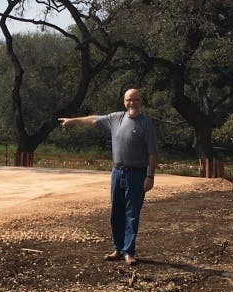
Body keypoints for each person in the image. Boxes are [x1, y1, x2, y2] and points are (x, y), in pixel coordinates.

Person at [58, 88, 159, 265]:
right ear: (124, 102)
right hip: (117, 173)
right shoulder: (116, 118)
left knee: (132, 214)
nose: (132, 103)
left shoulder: (146, 123)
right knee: (116, 213)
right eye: (129, 100)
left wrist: (150, 176)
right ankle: (118, 249)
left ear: (141, 101)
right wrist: (72, 121)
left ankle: (129, 252)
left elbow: (152, 153)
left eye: (135, 100)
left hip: (137, 174)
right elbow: (93, 119)